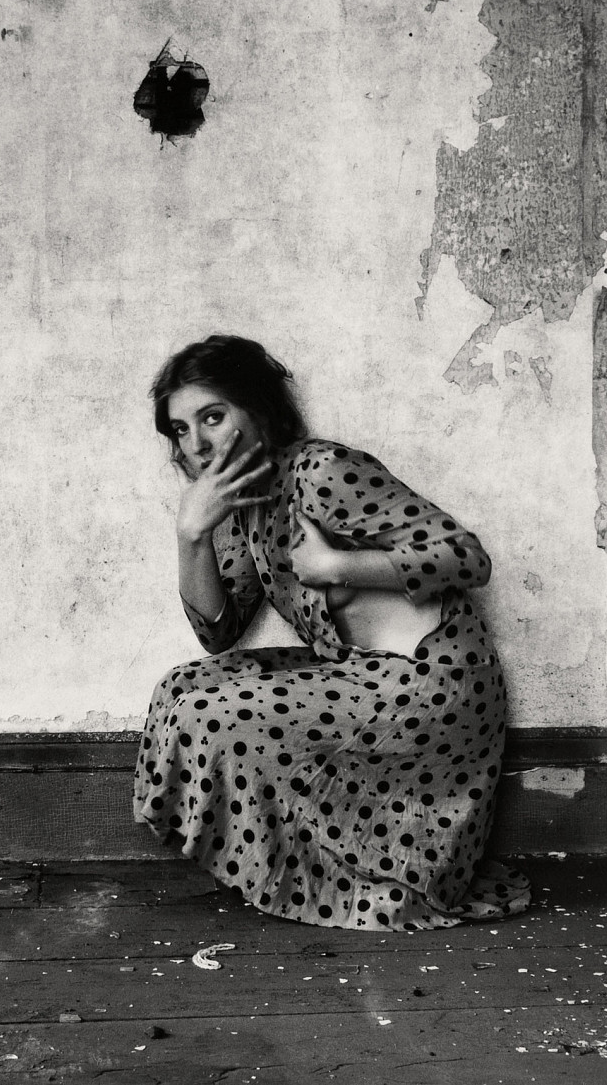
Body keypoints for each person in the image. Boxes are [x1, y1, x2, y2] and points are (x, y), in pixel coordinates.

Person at [133, 335, 531, 929]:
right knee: (180, 690)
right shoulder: (245, 508)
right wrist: (191, 535)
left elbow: (468, 558)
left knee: (207, 715)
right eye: (181, 430)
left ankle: (353, 879)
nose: (198, 444)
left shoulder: (323, 471)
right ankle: (312, 871)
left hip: (431, 685)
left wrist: (338, 566)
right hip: (361, 675)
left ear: (260, 410)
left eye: (213, 417)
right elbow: (218, 635)